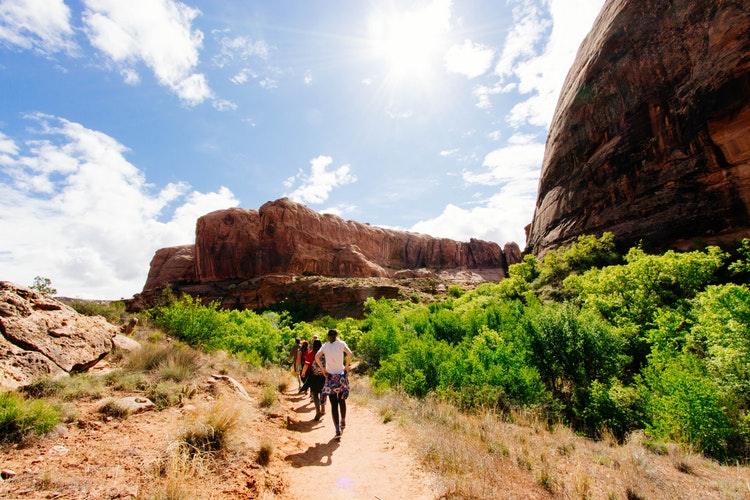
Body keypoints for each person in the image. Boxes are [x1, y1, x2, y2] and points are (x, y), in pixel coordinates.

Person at [315, 329, 353, 439]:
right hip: (341, 376)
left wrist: (322, 369)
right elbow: (350, 354)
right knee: (342, 400)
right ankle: (343, 421)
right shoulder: (341, 344)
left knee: (334, 403)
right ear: (337, 335)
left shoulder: (325, 346)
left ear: (328, 336)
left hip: (330, 377)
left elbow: (317, 357)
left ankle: (337, 429)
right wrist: (346, 366)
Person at [303, 338, 326, 420]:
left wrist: (303, 372)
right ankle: (323, 409)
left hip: (314, 376)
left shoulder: (311, 354)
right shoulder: (325, 353)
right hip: (324, 376)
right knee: (323, 393)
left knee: (315, 394)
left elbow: (306, 365)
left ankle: (318, 411)